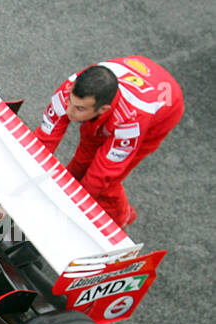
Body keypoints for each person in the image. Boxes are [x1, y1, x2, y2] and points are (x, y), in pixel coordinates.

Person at [33, 56, 184, 228]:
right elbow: (43, 140)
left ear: (103, 109)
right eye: (69, 102)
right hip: (139, 81)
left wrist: (70, 211)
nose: (69, 111)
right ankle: (63, 193)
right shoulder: (69, 89)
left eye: (79, 108)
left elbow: (104, 173)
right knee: (85, 154)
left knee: (106, 182)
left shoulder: (132, 120)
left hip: (163, 112)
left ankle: (121, 219)